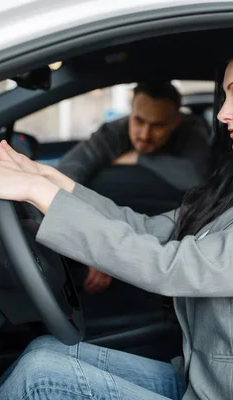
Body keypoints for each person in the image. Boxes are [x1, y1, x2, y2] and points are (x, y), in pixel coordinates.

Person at [0, 39, 233, 400]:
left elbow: (178, 268)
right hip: (198, 379)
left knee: (41, 376)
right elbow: (145, 228)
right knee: (45, 350)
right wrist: (52, 183)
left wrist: (41, 196)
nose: (222, 113)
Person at [57, 81, 212, 294]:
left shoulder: (191, 132)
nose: (145, 134)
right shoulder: (113, 133)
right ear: (131, 112)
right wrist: (93, 245)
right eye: (139, 120)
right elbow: (68, 172)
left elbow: (196, 178)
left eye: (157, 125)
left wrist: (140, 158)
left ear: (175, 122)